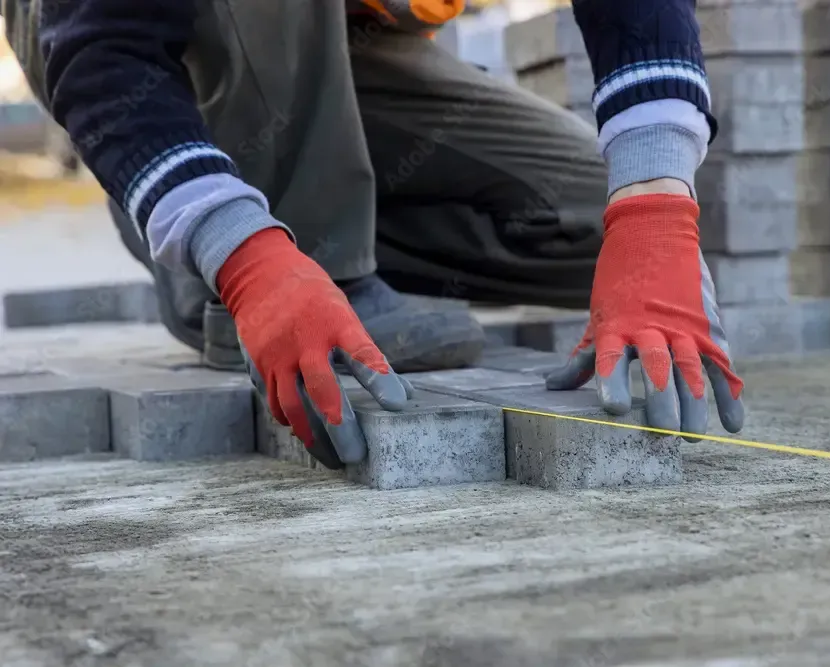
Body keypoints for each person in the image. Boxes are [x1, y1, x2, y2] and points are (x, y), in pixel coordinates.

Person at [2, 0, 745, 469]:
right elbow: (101, 49)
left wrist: (653, 207)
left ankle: (292, 236)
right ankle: (248, 252)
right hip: (135, 31)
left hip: (353, 48)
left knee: (584, 221)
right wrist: (241, 254)